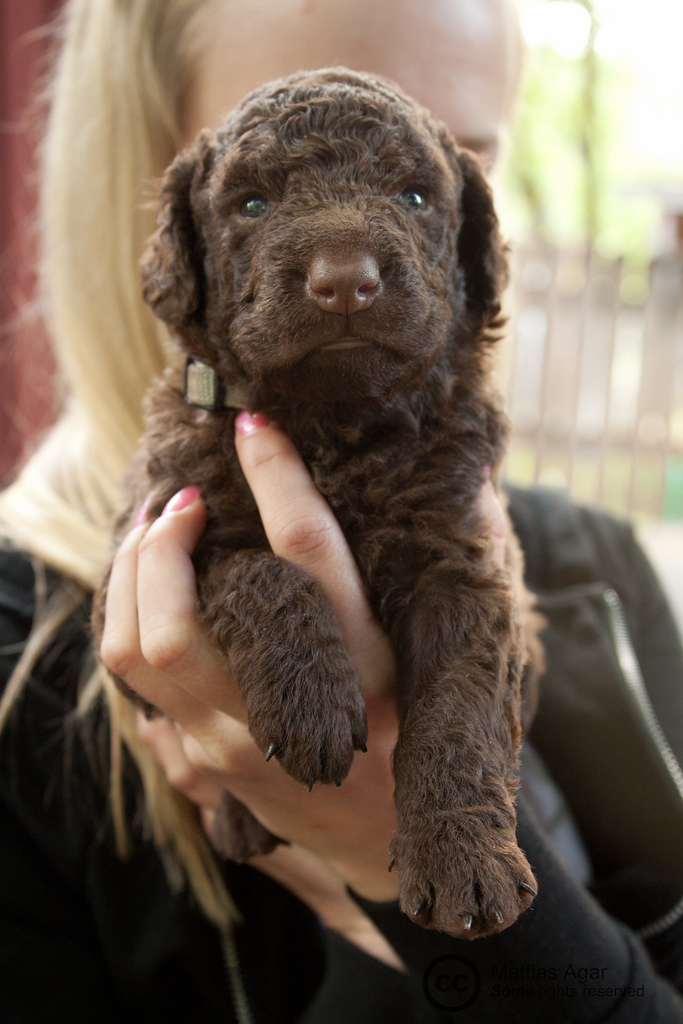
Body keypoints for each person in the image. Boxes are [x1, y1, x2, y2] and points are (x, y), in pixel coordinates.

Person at [1, 0, 682, 1020]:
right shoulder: (19, 669)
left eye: (417, 186)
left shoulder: (599, 570)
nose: (344, 265)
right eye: (263, 198)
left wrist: (385, 856)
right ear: (168, 215)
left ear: (471, 237)